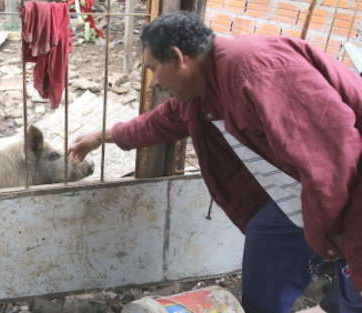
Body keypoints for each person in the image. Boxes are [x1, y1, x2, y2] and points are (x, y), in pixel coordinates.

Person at [67, 11, 362, 313]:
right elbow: (159, 123)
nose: (154, 82)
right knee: (265, 257)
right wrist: (103, 136)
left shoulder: (253, 71)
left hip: (348, 192)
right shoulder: (203, 87)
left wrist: (331, 236)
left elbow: (332, 162)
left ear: (177, 57)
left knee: (353, 290)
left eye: (153, 69)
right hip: (298, 196)